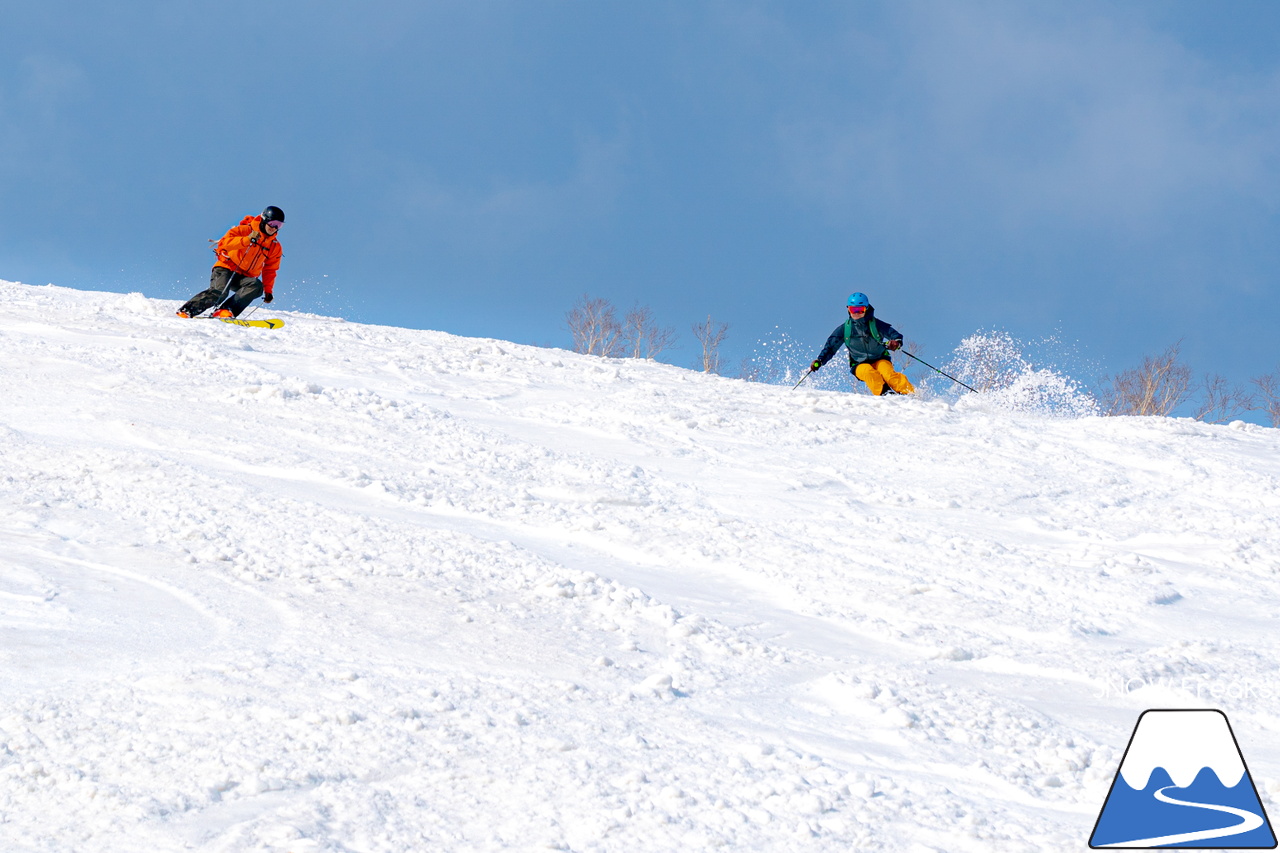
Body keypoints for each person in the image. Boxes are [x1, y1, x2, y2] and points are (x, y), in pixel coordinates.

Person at [176, 206, 284, 318]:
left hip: (244, 277)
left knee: (256, 286)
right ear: (264, 219)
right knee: (220, 292)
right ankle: (187, 310)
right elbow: (224, 243)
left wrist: (268, 291)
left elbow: (270, 269)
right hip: (226, 267)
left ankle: (225, 311)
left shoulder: (274, 246)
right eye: (272, 223)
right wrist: (247, 240)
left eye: (279, 225)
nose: (274, 227)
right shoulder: (244, 230)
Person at [809, 292, 915, 396]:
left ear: (866, 309)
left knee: (889, 374)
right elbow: (830, 348)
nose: (856, 313)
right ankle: (885, 394)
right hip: (859, 364)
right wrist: (820, 360)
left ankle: (910, 394)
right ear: (848, 309)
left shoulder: (875, 324)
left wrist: (896, 342)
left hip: (880, 359)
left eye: (860, 310)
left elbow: (894, 334)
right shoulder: (845, 329)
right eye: (853, 309)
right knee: (869, 372)